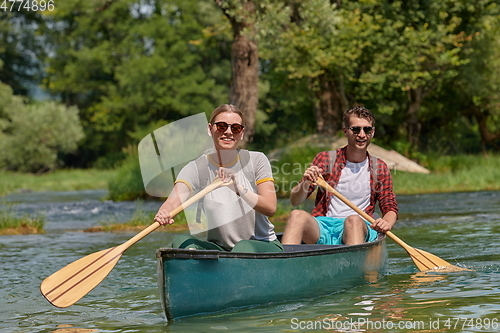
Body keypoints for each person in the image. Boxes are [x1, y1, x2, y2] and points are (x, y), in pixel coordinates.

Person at [154, 104, 283, 253]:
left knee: (243, 247)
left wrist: (239, 189)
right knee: (181, 241)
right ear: (210, 129)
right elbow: (173, 201)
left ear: (241, 133)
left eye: (235, 128)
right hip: (221, 249)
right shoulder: (196, 168)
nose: (228, 132)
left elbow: (270, 207)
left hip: (262, 245)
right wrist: (164, 212)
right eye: (221, 126)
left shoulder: (257, 160)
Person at [281, 106, 398, 246]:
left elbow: (389, 206)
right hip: (324, 225)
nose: (361, 135)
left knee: (353, 220)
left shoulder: (379, 167)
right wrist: (305, 182)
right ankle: (285, 262)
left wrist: (387, 223)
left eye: (367, 130)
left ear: (372, 133)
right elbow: (295, 201)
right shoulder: (325, 159)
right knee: (296, 215)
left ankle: (354, 266)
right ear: (345, 131)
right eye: (355, 129)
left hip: (359, 226)